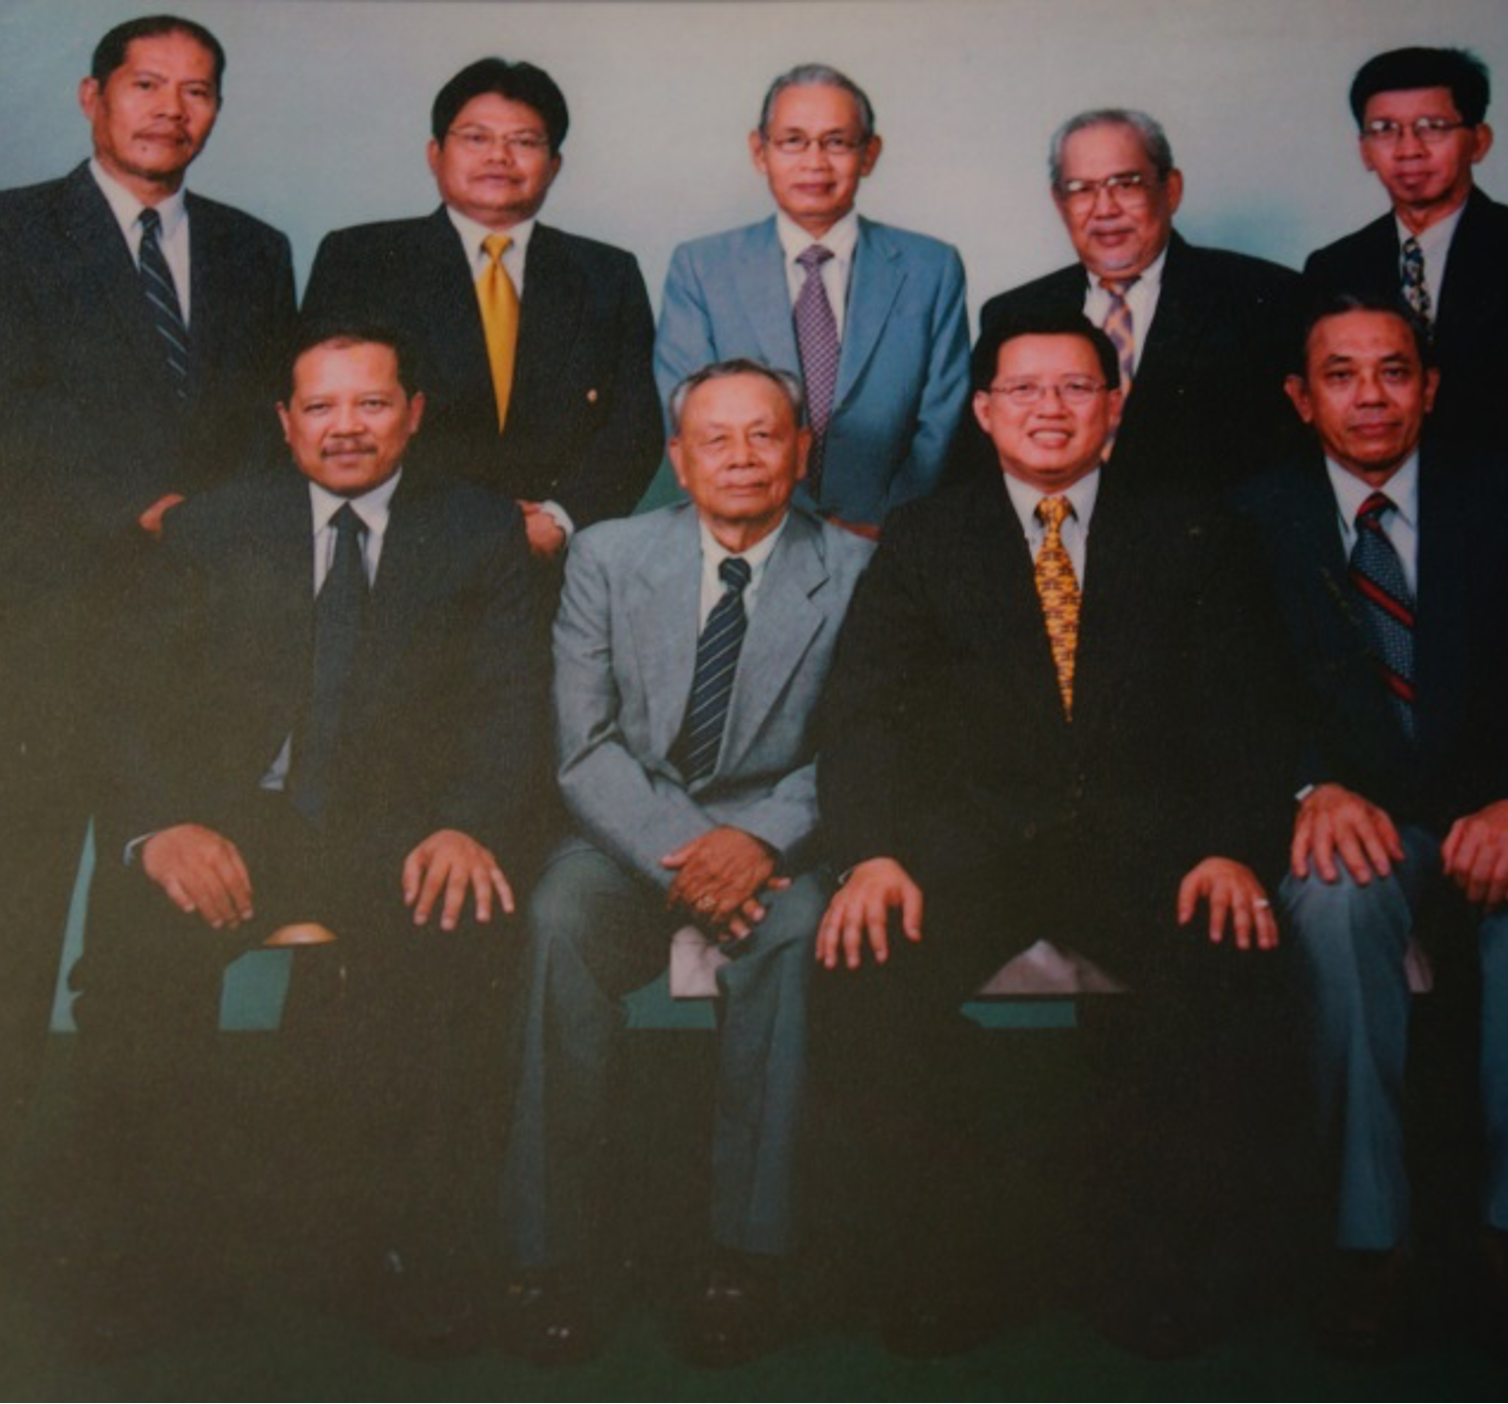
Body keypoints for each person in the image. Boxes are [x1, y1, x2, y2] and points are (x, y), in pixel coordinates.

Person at [812, 307, 1289, 1360]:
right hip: (974, 846)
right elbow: (864, 713)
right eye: (1023, 389)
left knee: (1229, 962)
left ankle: (1149, 1267)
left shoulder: (1190, 527)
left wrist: (1229, 845)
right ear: (983, 412)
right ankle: (957, 1260)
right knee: (865, 970)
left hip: (1148, 846)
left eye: (1075, 387)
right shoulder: (928, 536)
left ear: (1115, 406)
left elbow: (1243, 709)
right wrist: (874, 854)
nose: (1049, 409)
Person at [64, 323, 546, 1357]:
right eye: (320, 407)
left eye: (370, 403)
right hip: (237, 820)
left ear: (413, 413)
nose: (345, 428)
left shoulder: (476, 529)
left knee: (460, 940)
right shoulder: (212, 527)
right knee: (135, 952)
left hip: (402, 827)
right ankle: (145, 1263)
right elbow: (126, 703)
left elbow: (512, 707)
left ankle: (401, 1257)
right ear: (284, 423)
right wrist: (160, 828)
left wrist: (466, 824)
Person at [1233, 293, 1508, 1360]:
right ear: (1300, 398)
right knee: (1332, 902)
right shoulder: (1250, 515)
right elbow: (1232, 692)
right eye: (1339, 375)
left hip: (1491, 810)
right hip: (1351, 820)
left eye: (1393, 371)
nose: (1370, 397)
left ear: (1429, 388)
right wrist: (1307, 788)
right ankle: (1369, 1239)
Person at [499, 359, 872, 1368]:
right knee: (558, 920)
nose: (740, 458)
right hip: (625, 834)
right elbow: (583, 745)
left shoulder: (853, 569)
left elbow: (858, 744)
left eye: (765, 435)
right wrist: (685, 859)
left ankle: (743, 1256)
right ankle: (552, 1253)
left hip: (775, 839)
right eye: (715, 438)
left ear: (802, 450)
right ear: (677, 456)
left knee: (796, 931)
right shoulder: (608, 556)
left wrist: (759, 840)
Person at [0, 12, 295, 1172]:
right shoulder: (13, 232)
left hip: (198, 642)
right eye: (146, 84)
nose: (172, 109)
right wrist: (136, 507)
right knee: (16, 919)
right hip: (39, 631)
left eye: (198, 90)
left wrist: (216, 534)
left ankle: (133, 1203)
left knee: (158, 935)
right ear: (93, 96)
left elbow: (270, 437)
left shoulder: (256, 249)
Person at [304, 57, 661, 561]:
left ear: (554, 165)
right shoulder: (360, 258)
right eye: (476, 138)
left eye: (524, 142)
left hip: (552, 558)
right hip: (399, 550)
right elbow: (320, 414)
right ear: (435, 154)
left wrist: (561, 519)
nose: (499, 156)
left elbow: (634, 426)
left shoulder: (607, 273)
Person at [652, 63, 968, 535]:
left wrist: (886, 528)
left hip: (888, 539)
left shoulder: (930, 268)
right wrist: (782, 528)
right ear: (759, 152)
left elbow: (942, 422)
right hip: (748, 535)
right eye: (793, 141)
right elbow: (689, 420)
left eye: (836, 142)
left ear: (869, 154)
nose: (815, 162)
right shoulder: (701, 268)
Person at [1303, 46, 1508, 479]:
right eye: (1385, 130)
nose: (1409, 149)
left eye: (1432, 127)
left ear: (1479, 142)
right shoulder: (1333, 267)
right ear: (1364, 150)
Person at [977, 109, 1309, 495]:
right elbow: (978, 471)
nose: (1105, 209)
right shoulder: (1012, 312)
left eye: (1126, 184)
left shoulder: (1267, 298)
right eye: (1081, 189)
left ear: (1171, 190)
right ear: (1059, 202)